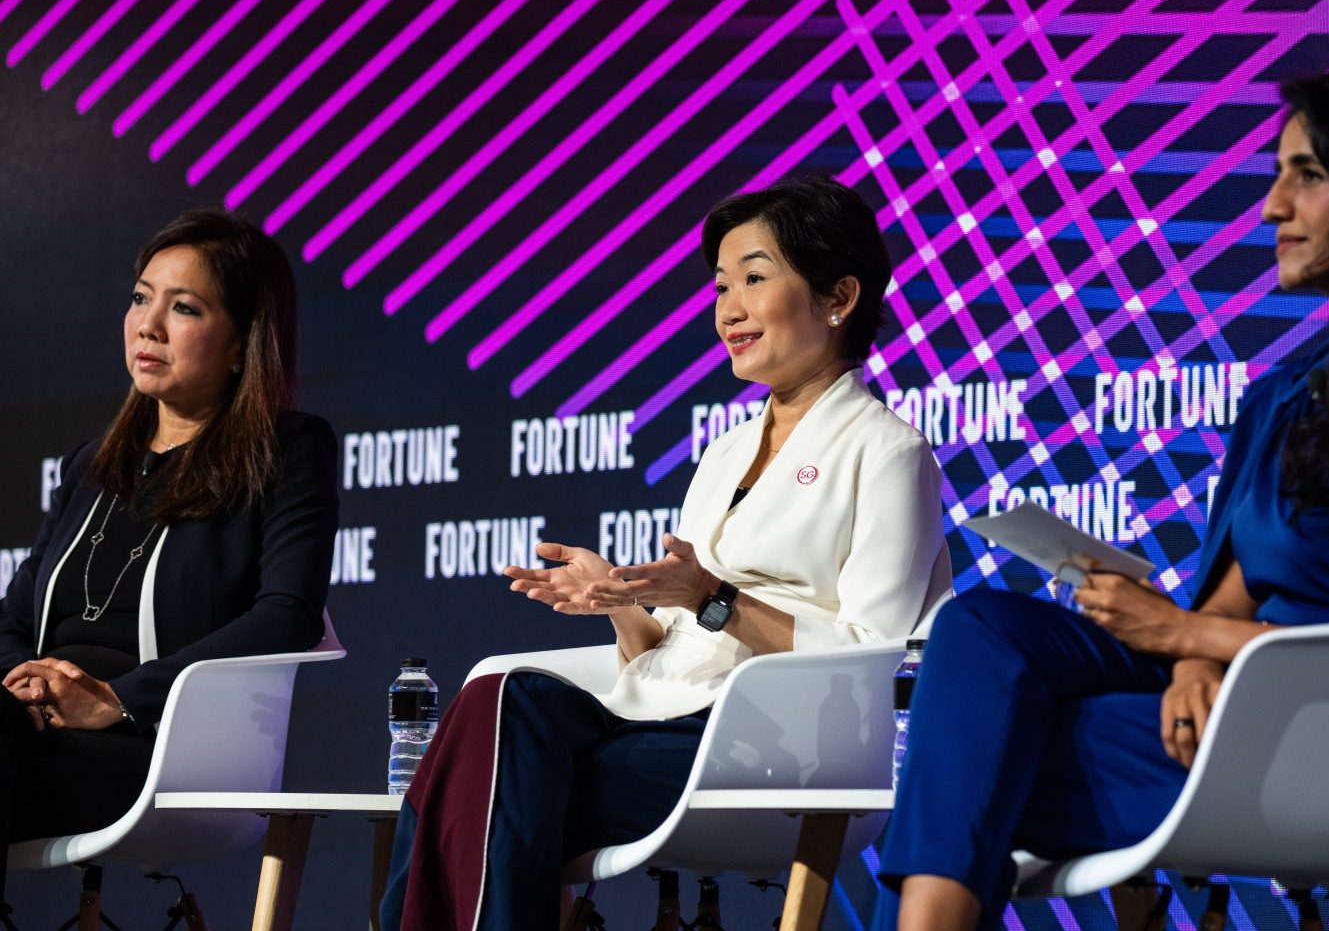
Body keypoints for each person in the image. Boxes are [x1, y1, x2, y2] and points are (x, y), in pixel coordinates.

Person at [875, 67, 1329, 931]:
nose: (1271, 207)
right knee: (982, 626)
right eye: (1278, 172)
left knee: (976, 757)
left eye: (1310, 175)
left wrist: (1184, 636)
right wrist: (1192, 664)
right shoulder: (1283, 388)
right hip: (1240, 697)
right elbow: (1230, 593)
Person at [381, 177, 954, 930]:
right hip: (666, 718)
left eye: (754, 277)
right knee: (499, 702)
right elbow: (679, 650)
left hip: (780, 748)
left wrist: (715, 600)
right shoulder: (725, 452)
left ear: (838, 295)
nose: (729, 310)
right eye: (722, 286)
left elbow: (875, 656)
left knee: (477, 783)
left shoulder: (888, 454)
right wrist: (623, 607)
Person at [0, 209, 338, 894]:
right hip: (27, 730)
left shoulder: (288, 450)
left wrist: (117, 701)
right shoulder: (89, 464)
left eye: (182, 307)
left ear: (243, 341)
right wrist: (25, 687)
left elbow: (289, 614)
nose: (147, 325)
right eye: (140, 298)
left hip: (154, 748)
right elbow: (13, 616)